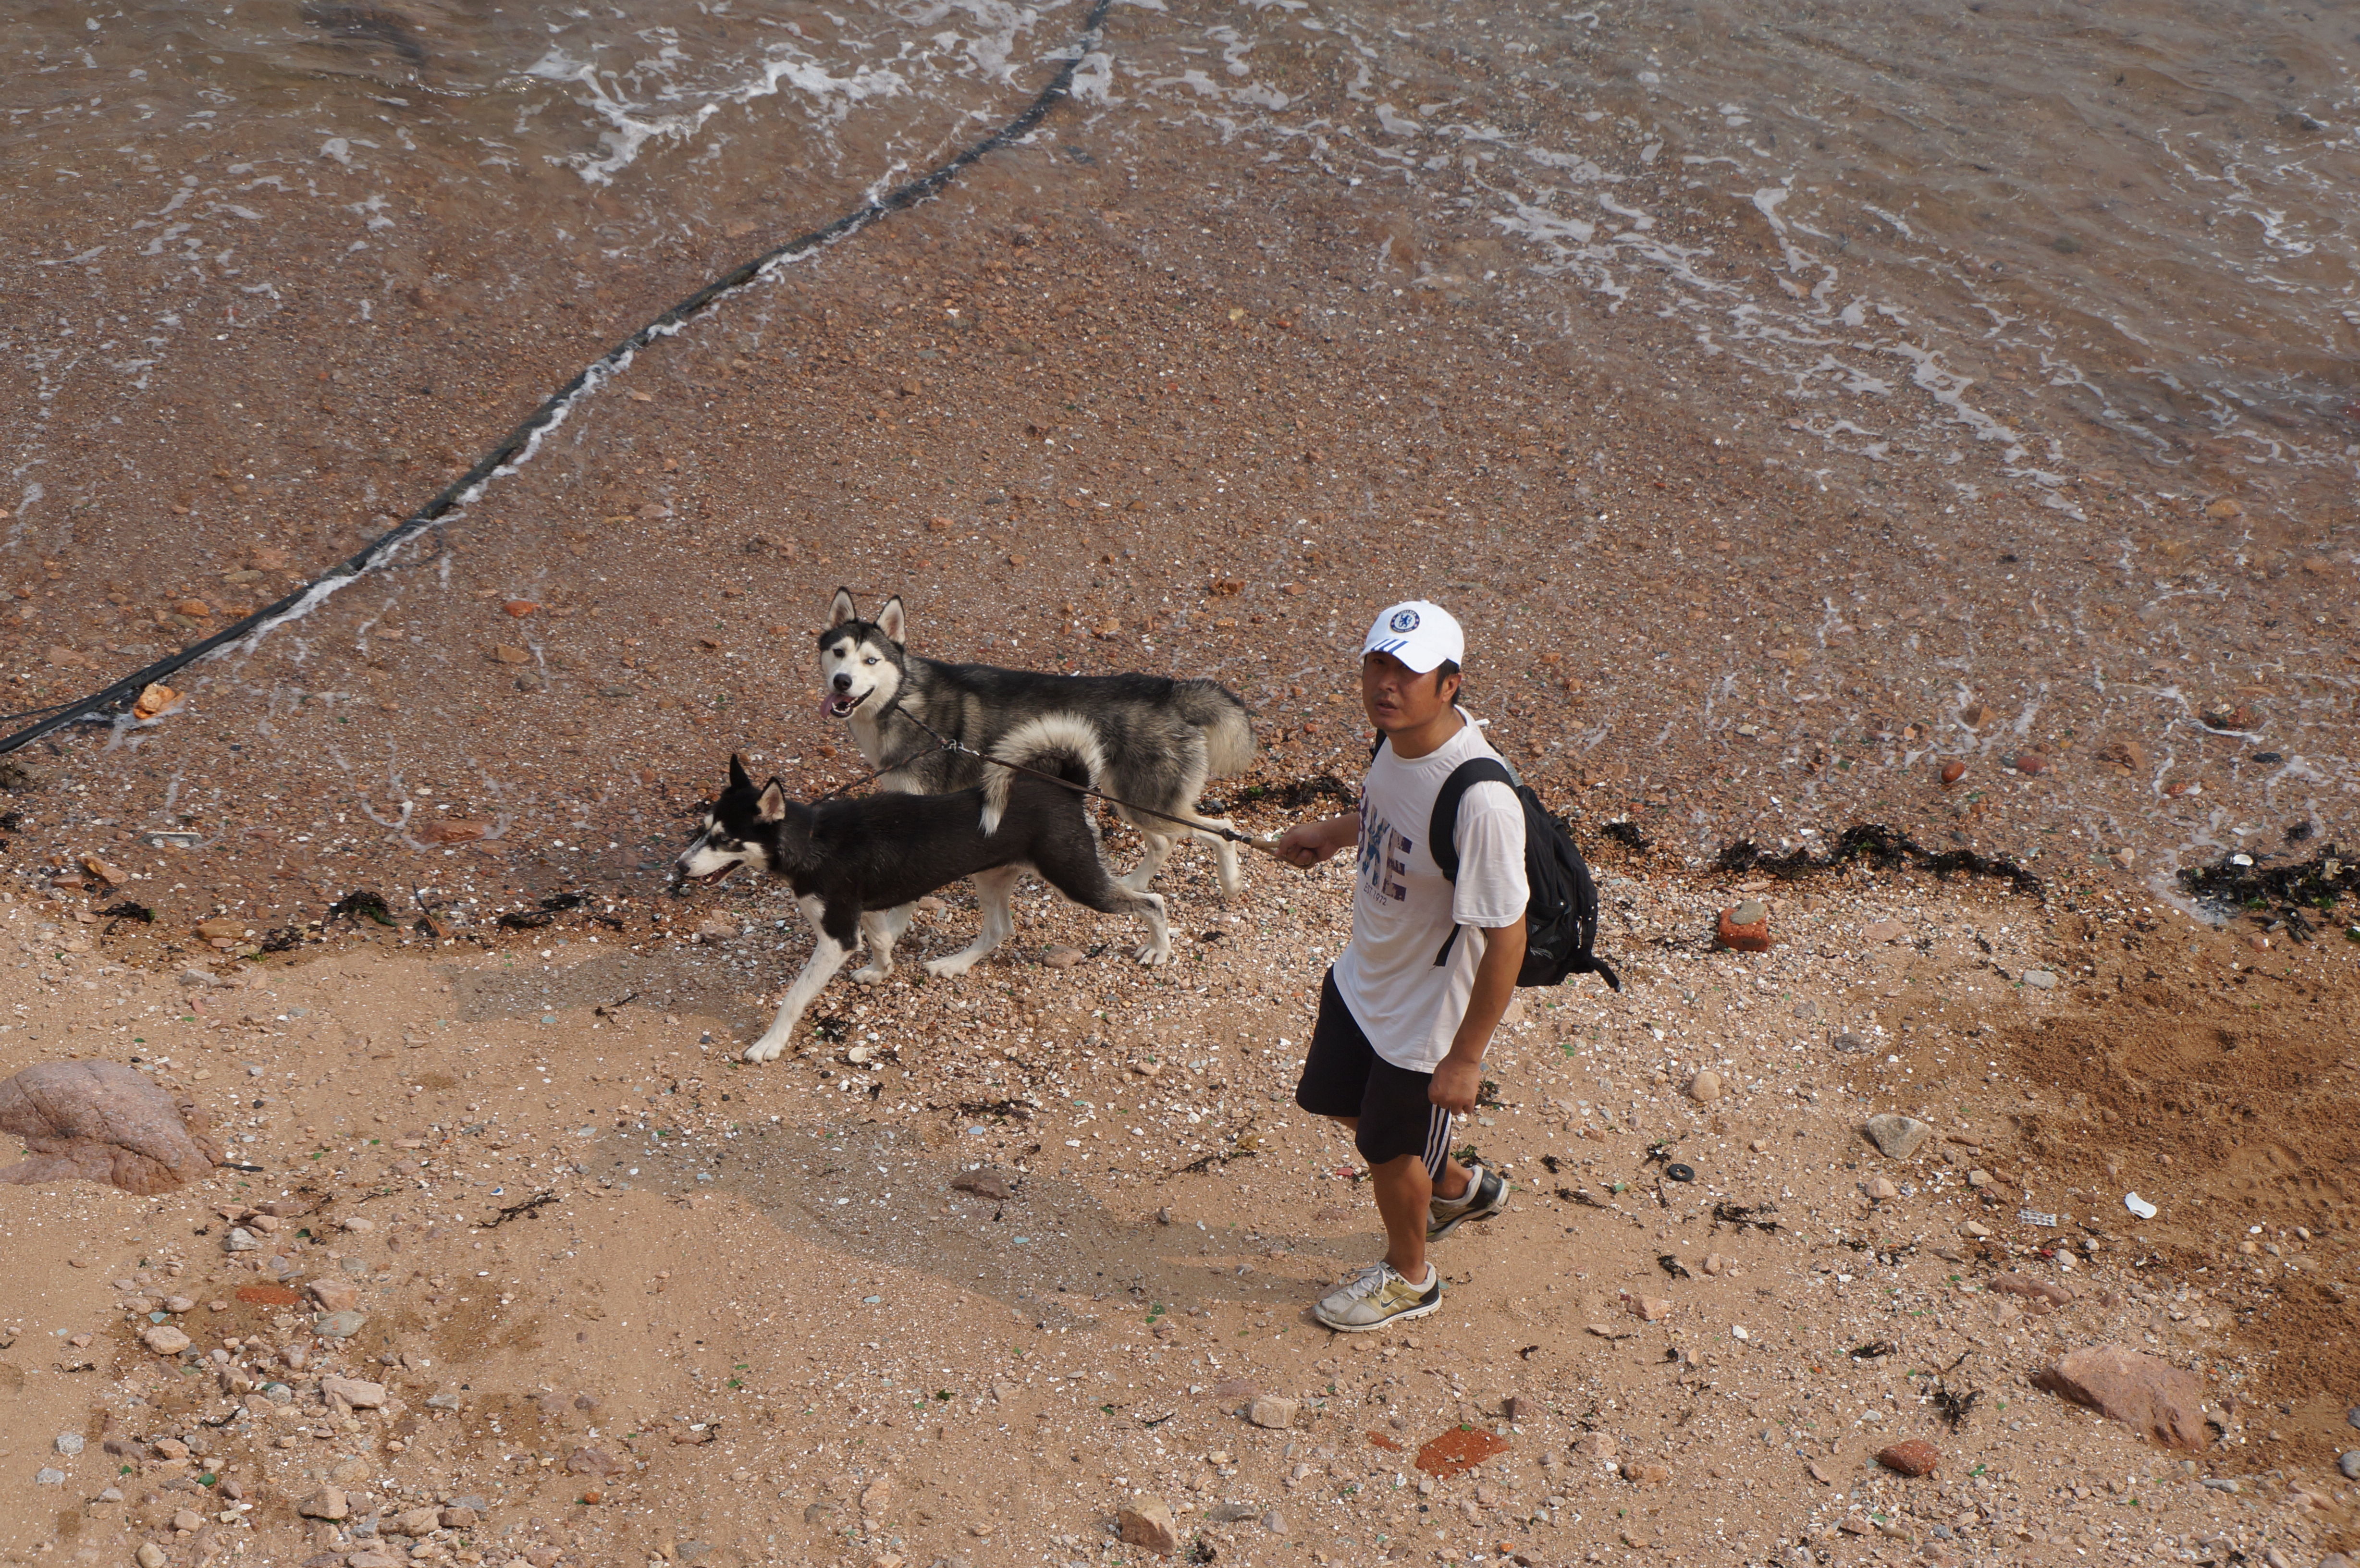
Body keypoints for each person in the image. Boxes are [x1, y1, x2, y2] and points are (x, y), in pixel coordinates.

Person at [1276, 600, 1527, 1331]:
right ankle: (1451, 1184)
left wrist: (1465, 1057)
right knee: (1328, 1097)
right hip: (1368, 972)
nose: (1386, 685)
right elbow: (1391, 814)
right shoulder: (1394, 741)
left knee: (1387, 1150)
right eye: (1377, 665)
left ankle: (1411, 1276)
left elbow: (1505, 937)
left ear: (1450, 685)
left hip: (1426, 1012)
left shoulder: (1482, 800)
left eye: (1408, 673)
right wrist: (1332, 832)